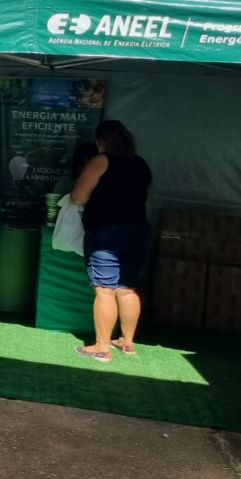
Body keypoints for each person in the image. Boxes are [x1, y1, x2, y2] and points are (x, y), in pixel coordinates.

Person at [70, 120, 153, 362]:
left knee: (104, 290)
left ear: (100, 141)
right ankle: (126, 343)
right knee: (126, 289)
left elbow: (78, 197)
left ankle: (101, 348)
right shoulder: (141, 164)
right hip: (138, 229)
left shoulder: (100, 161)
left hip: (106, 232)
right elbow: (145, 197)